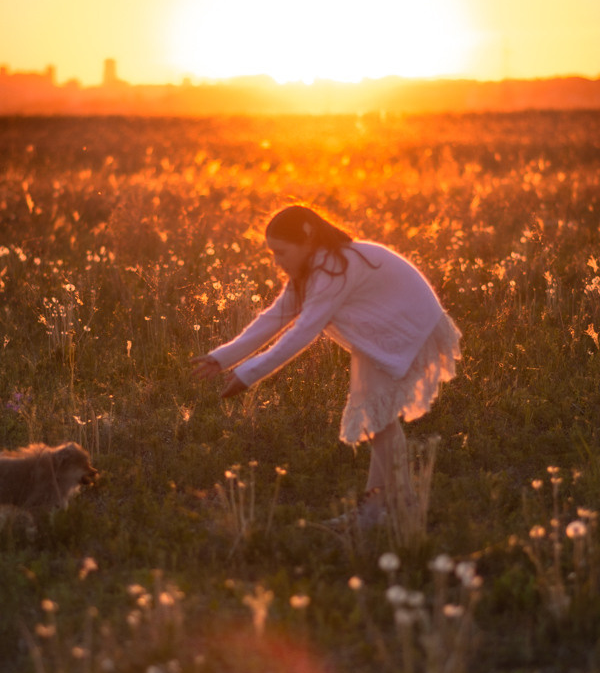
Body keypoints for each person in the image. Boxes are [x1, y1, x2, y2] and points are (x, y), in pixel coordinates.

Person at [191, 204, 461, 524]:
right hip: (384, 333)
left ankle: (400, 507)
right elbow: (277, 316)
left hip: (404, 330)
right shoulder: (314, 267)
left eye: (281, 252)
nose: (277, 262)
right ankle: (381, 509)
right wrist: (222, 358)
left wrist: (248, 375)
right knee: (379, 419)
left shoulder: (336, 267)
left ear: (307, 239)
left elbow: (304, 330)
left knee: (378, 419)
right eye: (272, 255)